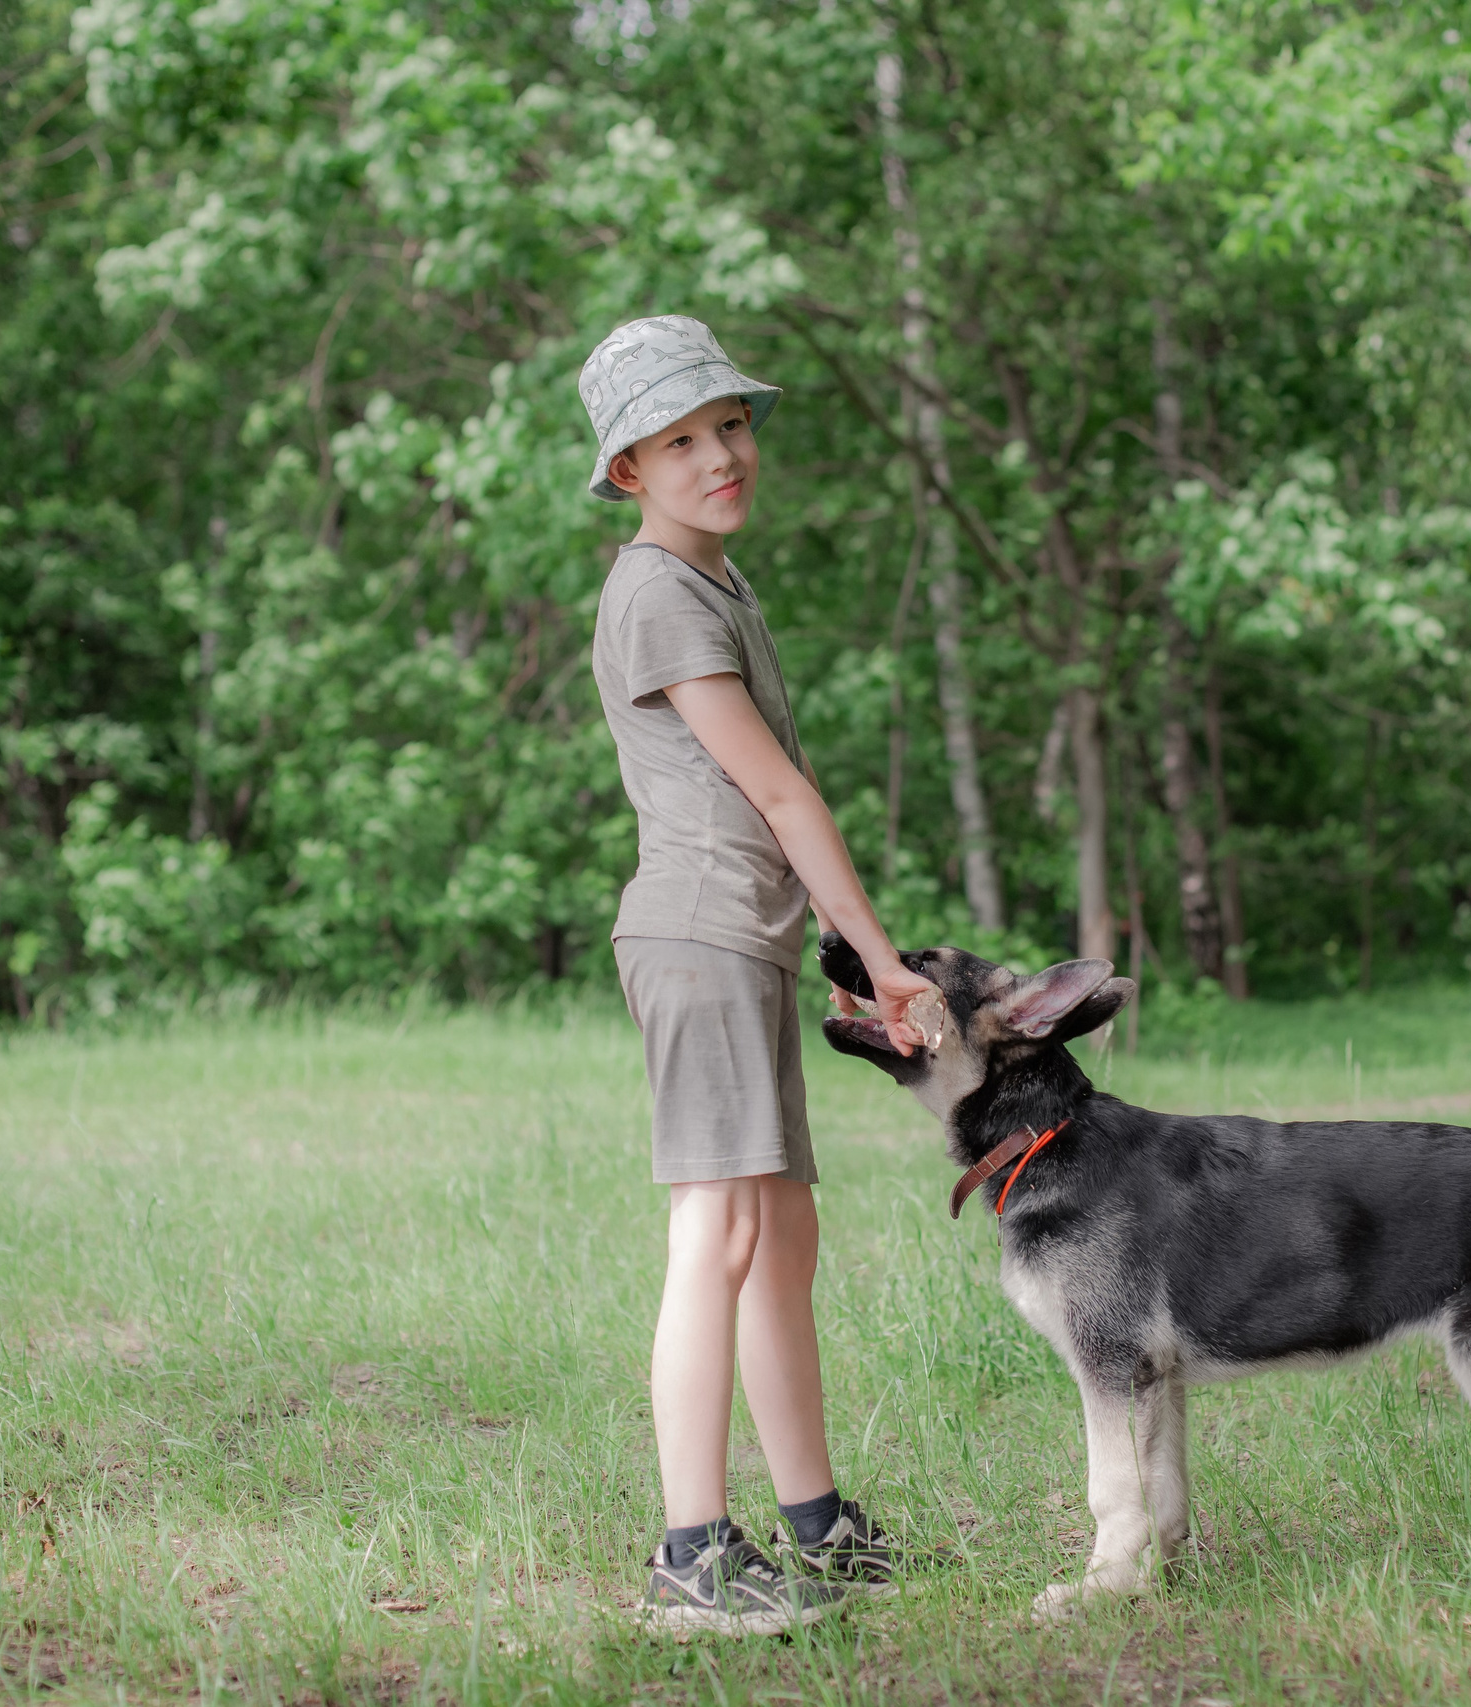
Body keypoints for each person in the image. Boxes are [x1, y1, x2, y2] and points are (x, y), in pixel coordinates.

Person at [579, 316, 941, 1636]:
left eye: (728, 424)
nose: (720, 454)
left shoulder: (716, 583)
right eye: (680, 440)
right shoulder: (660, 593)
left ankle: (816, 1525)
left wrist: (837, 951)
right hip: (700, 935)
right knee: (719, 1235)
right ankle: (689, 1553)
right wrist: (884, 965)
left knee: (783, 1238)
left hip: (746, 941)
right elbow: (780, 791)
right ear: (629, 470)